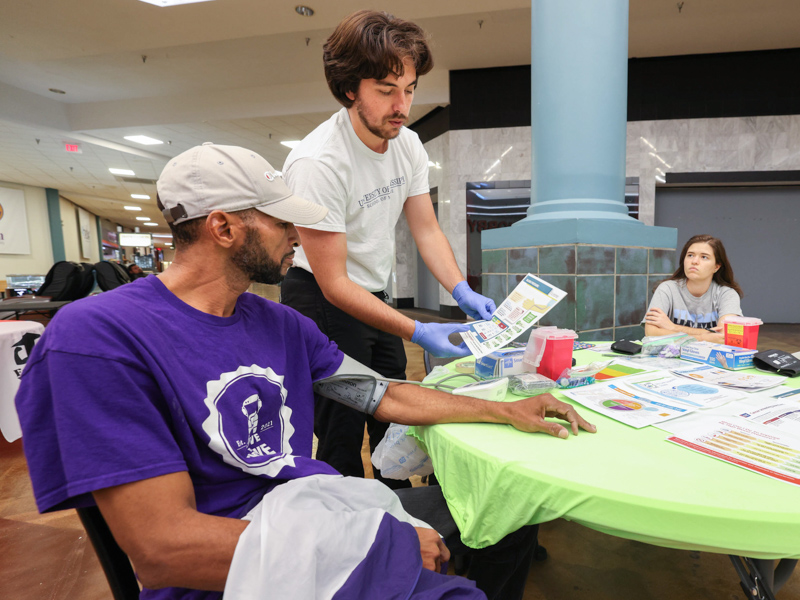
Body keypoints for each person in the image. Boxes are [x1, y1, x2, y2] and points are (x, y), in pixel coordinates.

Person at [15, 143, 597, 600]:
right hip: (245, 568)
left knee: (506, 516)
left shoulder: (280, 323)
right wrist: (377, 549)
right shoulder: (97, 339)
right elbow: (164, 550)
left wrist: (504, 410)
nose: (298, 235)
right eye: (281, 222)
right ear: (223, 228)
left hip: (311, 511)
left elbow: (381, 396)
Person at [281, 10, 497, 484]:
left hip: (371, 293)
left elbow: (426, 230)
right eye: (386, 89)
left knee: (396, 416)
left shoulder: (408, 144)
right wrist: (418, 332)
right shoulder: (318, 163)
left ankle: (401, 518)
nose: (402, 105)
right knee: (342, 424)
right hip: (320, 295)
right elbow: (334, 284)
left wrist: (460, 289)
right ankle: (351, 537)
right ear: (349, 88)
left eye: (411, 89)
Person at [642, 234, 743, 343]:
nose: (694, 261)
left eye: (704, 257)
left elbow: (724, 336)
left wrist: (673, 327)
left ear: (716, 267)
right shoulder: (667, 289)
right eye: (690, 255)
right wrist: (704, 337)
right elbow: (651, 332)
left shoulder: (727, 294)